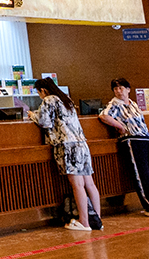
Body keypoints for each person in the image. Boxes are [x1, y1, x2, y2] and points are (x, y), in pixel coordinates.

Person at [35, 77, 102, 232]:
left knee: (77, 185)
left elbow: (44, 122)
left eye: (39, 92)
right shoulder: (67, 100)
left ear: (43, 90)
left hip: (67, 145)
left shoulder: (49, 100)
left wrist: (33, 115)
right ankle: (97, 219)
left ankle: (84, 222)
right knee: (89, 183)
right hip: (81, 143)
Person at [99, 78, 149, 218]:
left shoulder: (133, 104)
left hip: (144, 139)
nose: (118, 91)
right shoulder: (114, 104)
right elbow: (104, 116)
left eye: (121, 88)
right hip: (132, 139)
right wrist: (120, 126)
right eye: (115, 89)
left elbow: (142, 123)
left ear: (128, 89)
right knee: (141, 173)